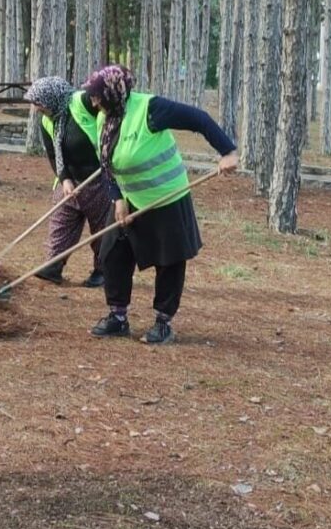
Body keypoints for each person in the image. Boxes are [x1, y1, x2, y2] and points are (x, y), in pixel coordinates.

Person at [81, 65, 239, 344]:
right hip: (130, 199)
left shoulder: (150, 109)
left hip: (167, 198)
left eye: (97, 96)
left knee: (170, 260)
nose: (93, 102)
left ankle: (163, 322)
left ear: (113, 92)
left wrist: (227, 151)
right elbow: (106, 165)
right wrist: (117, 199)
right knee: (112, 253)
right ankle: (118, 317)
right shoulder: (105, 117)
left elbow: (199, 119)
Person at [24, 76, 111, 288]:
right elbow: (54, 155)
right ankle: (53, 266)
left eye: (38, 103)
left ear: (51, 97)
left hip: (98, 178)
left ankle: (103, 271)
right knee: (61, 223)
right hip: (69, 181)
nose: (36, 109)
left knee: (102, 227)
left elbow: (110, 115)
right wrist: (64, 179)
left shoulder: (81, 103)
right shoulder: (47, 118)